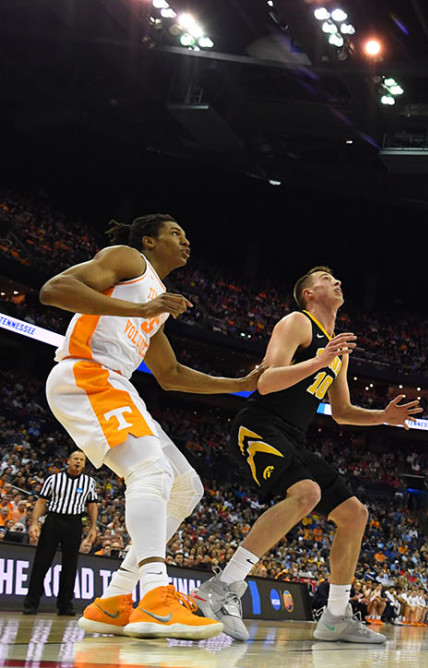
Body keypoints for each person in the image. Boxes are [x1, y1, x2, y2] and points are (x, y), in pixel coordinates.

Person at [39, 214, 261, 640]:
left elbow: (170, 374)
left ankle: (114, 599)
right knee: (151, 471)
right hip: (87, 371)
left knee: (185, 486)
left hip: (115, 383)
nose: (186, 240)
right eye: (176, 233)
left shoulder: (158, 299)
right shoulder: (128, 260)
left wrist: (239, 385)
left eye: (186, 234)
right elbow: (55, 289)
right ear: (149, 241)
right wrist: (140, 309)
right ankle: (157, 596)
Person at [188, 266, 421, 643]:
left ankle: (335, 616)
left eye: (336, 278)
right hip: (258, 424)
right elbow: (265, 381)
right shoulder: (297, 322)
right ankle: (222, 586)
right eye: (326, 279)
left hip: (294, 436)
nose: (337, 281)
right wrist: (317, 361)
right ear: (308, 294)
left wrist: (383, 417)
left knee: (355, 514)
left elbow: (341, 412)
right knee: (307, 493)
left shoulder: (337, 351)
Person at [23, 450, 98, 616]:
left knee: (70, 564)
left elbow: (92, 505)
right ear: (68, 461)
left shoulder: (89, 482)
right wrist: (35, 523)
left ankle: (65, 604)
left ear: (84, 464)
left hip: (74, 522)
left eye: (81, 460)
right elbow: (41, 501)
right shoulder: (54, 479)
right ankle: (31, 603)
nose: (78, 462)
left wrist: (93, 527)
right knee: (42, 561)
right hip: (54, 520)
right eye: (75, 459)